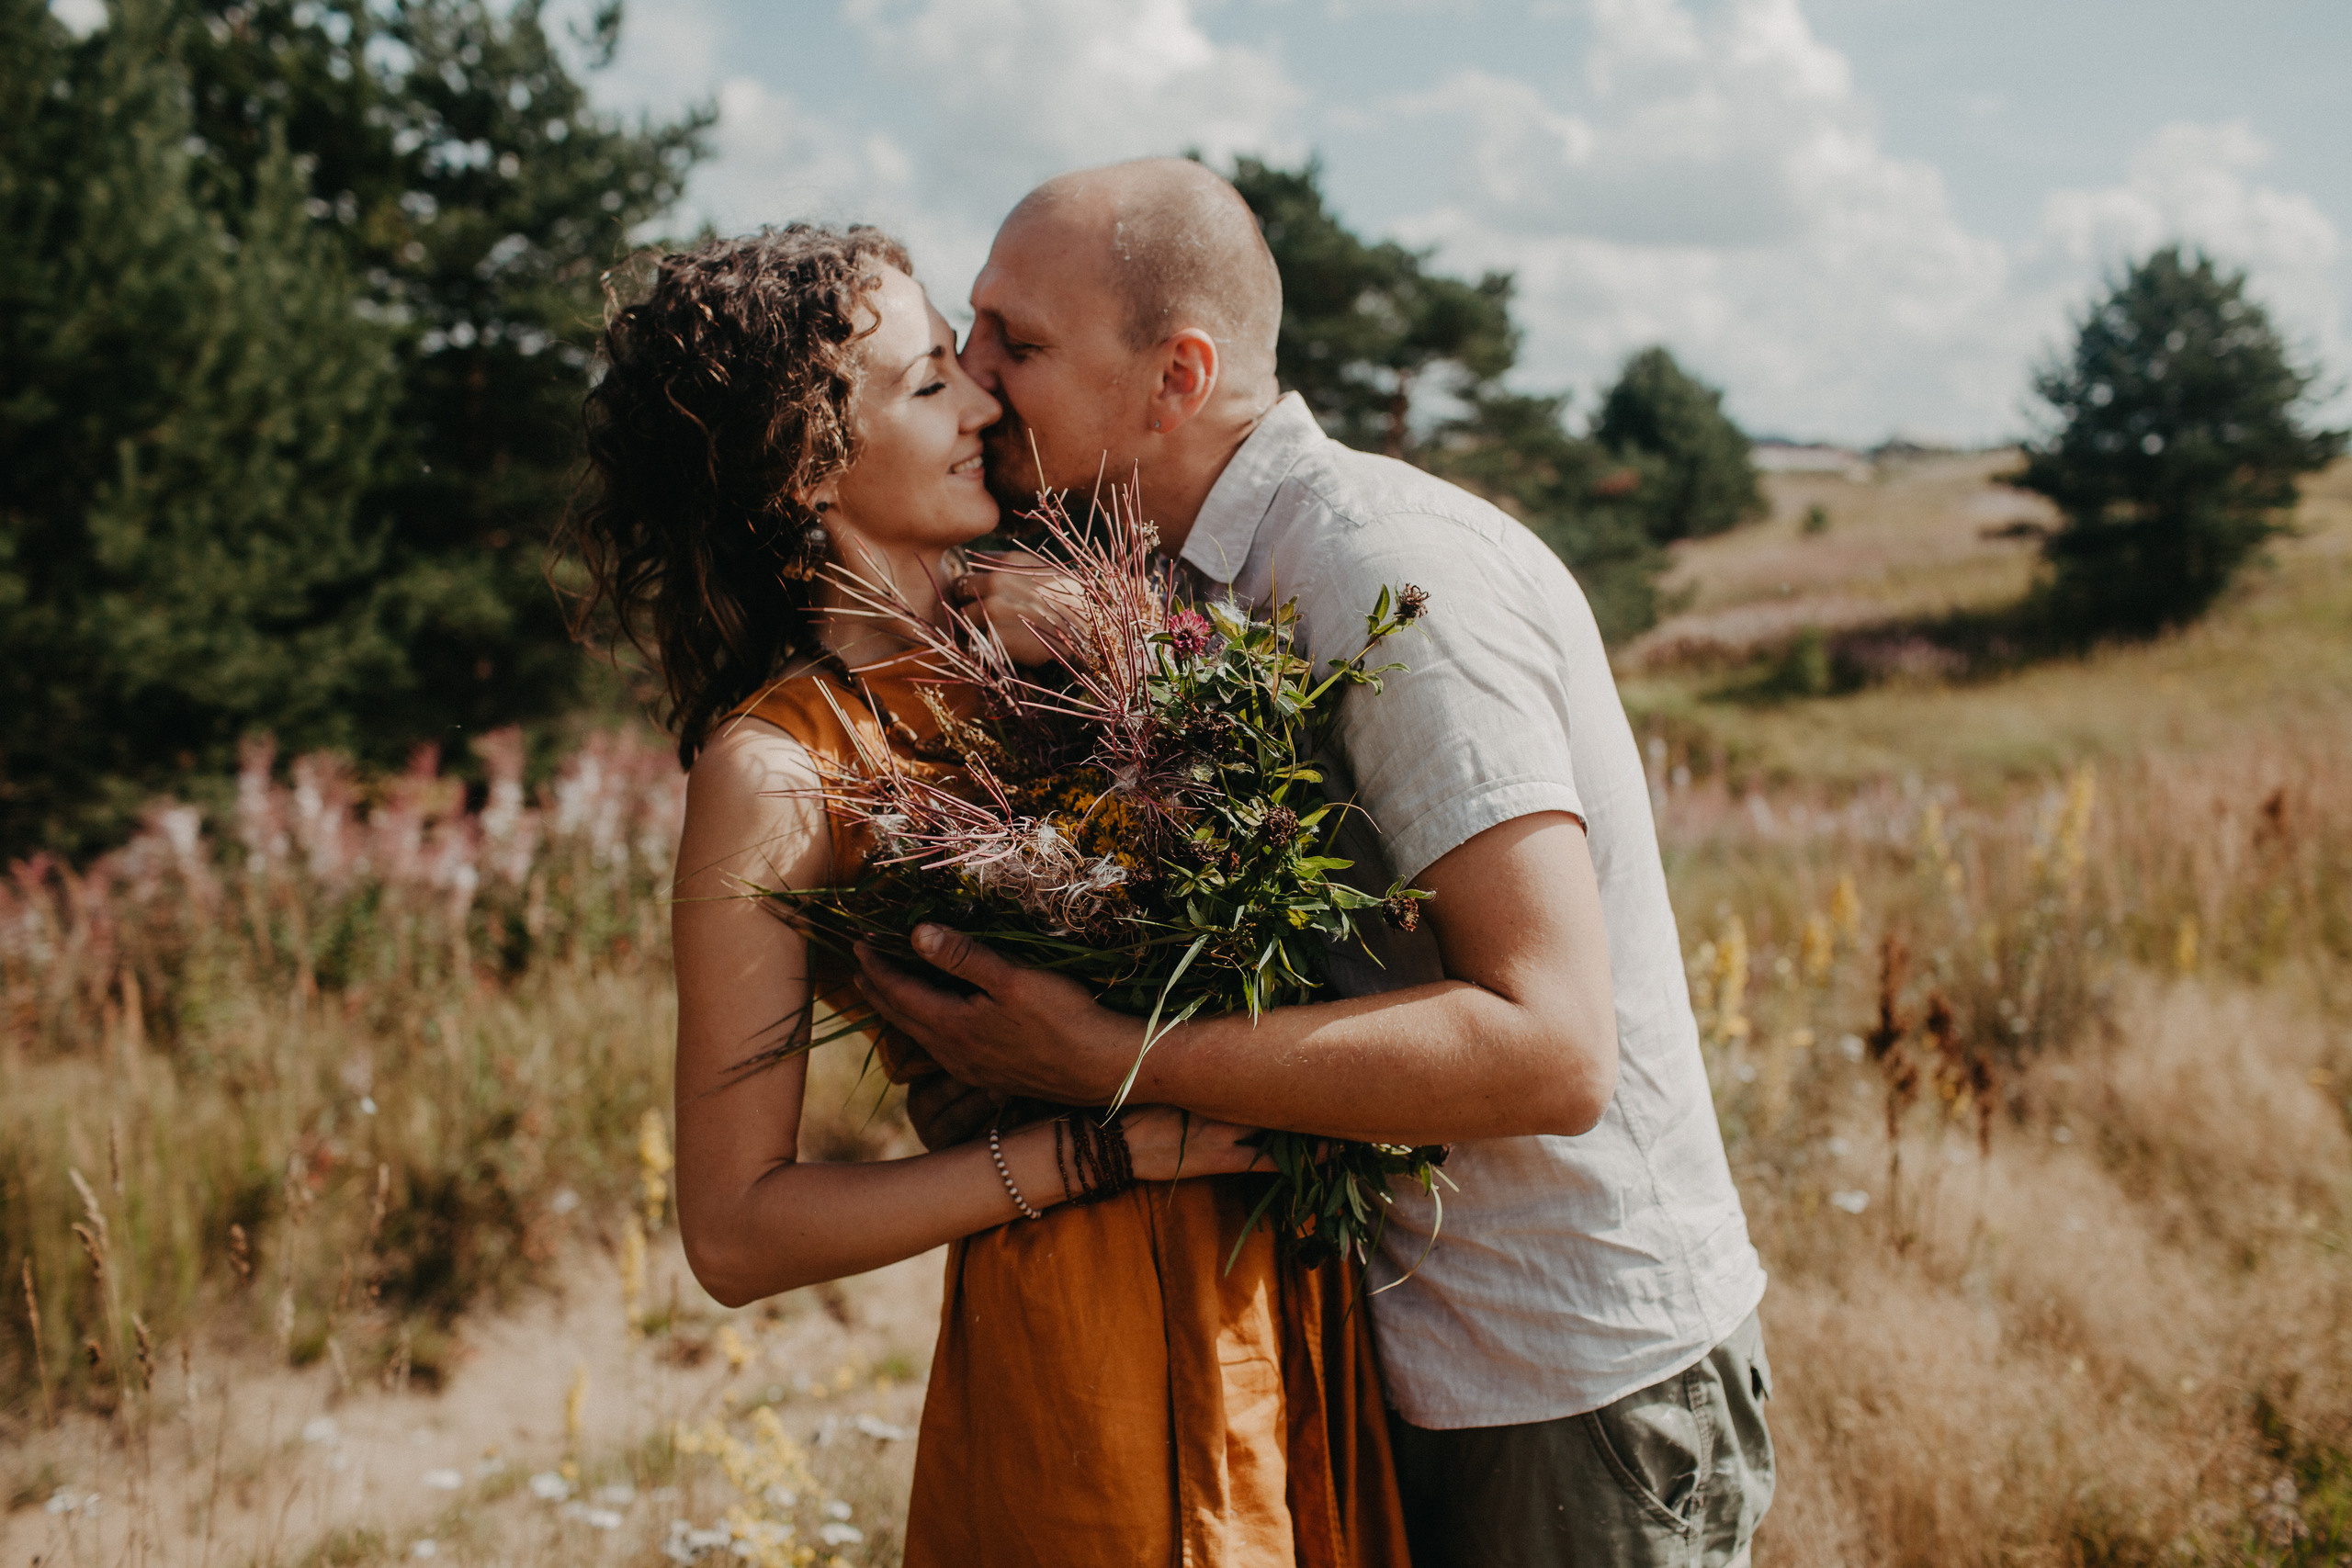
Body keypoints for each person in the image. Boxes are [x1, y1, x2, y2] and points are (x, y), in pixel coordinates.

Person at [854, 159, 1777, 1568]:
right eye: (971, 336)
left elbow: (1553, 1051)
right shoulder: (1166, 586)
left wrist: (1104, 1056)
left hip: (1557, 1385)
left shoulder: (1377, 569)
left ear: (1179, 377)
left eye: (1017, 343)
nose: (974, 381)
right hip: (1364, 1362)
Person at [565, 224, 1413, 1567]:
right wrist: (1093, 1153)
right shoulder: (779, 769)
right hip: (1080, 1346)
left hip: (1280, 1294)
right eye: (929, 384)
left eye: (966, 363)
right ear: (804, 470)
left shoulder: (1073, 628)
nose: (983, 402)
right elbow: (735, 1233)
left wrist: (1107, 642)